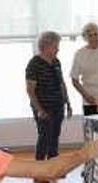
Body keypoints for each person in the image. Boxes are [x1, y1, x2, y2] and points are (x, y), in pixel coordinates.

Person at [26, 31, 72, 161]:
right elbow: (30, 90)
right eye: (55, 45)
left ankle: (53, 165)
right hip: (43, 108)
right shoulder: (34, 64)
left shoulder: (56, 62)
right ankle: (39, 171)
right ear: (45, 45)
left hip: (58, 105)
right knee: (44, 137)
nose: (58, 49)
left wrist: (67, 103)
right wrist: (40, 110)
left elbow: (61, 83)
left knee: (55, 136)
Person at [71, 23, 98, 116]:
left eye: (96, 34)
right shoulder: (79, 54)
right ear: (85, 37)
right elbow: (74, 79)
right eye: (90, 35)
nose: (94, 38)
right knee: (91, 129)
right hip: (89, 98)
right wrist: (86, 96)